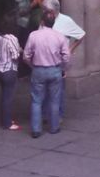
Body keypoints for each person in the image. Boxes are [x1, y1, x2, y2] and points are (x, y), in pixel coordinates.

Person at [23, 9, 70, 138]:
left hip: (38, 69)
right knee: (55, 100)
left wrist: (32, 66)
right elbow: (66, 56)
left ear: (42, 21)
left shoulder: (33, 35)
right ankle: (54, 127)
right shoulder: (60, 36)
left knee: (36, 100)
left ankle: (36, 129)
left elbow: (26, 55)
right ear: (53, 22)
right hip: (55, 69)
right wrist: (63, 68)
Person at [0, 15, 22, 130]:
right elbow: (15, 56)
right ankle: (7, 123)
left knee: (4, 95)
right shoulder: (11, 38)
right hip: (9, 70)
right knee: (8, 97)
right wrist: (19, 50)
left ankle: (4, 118)